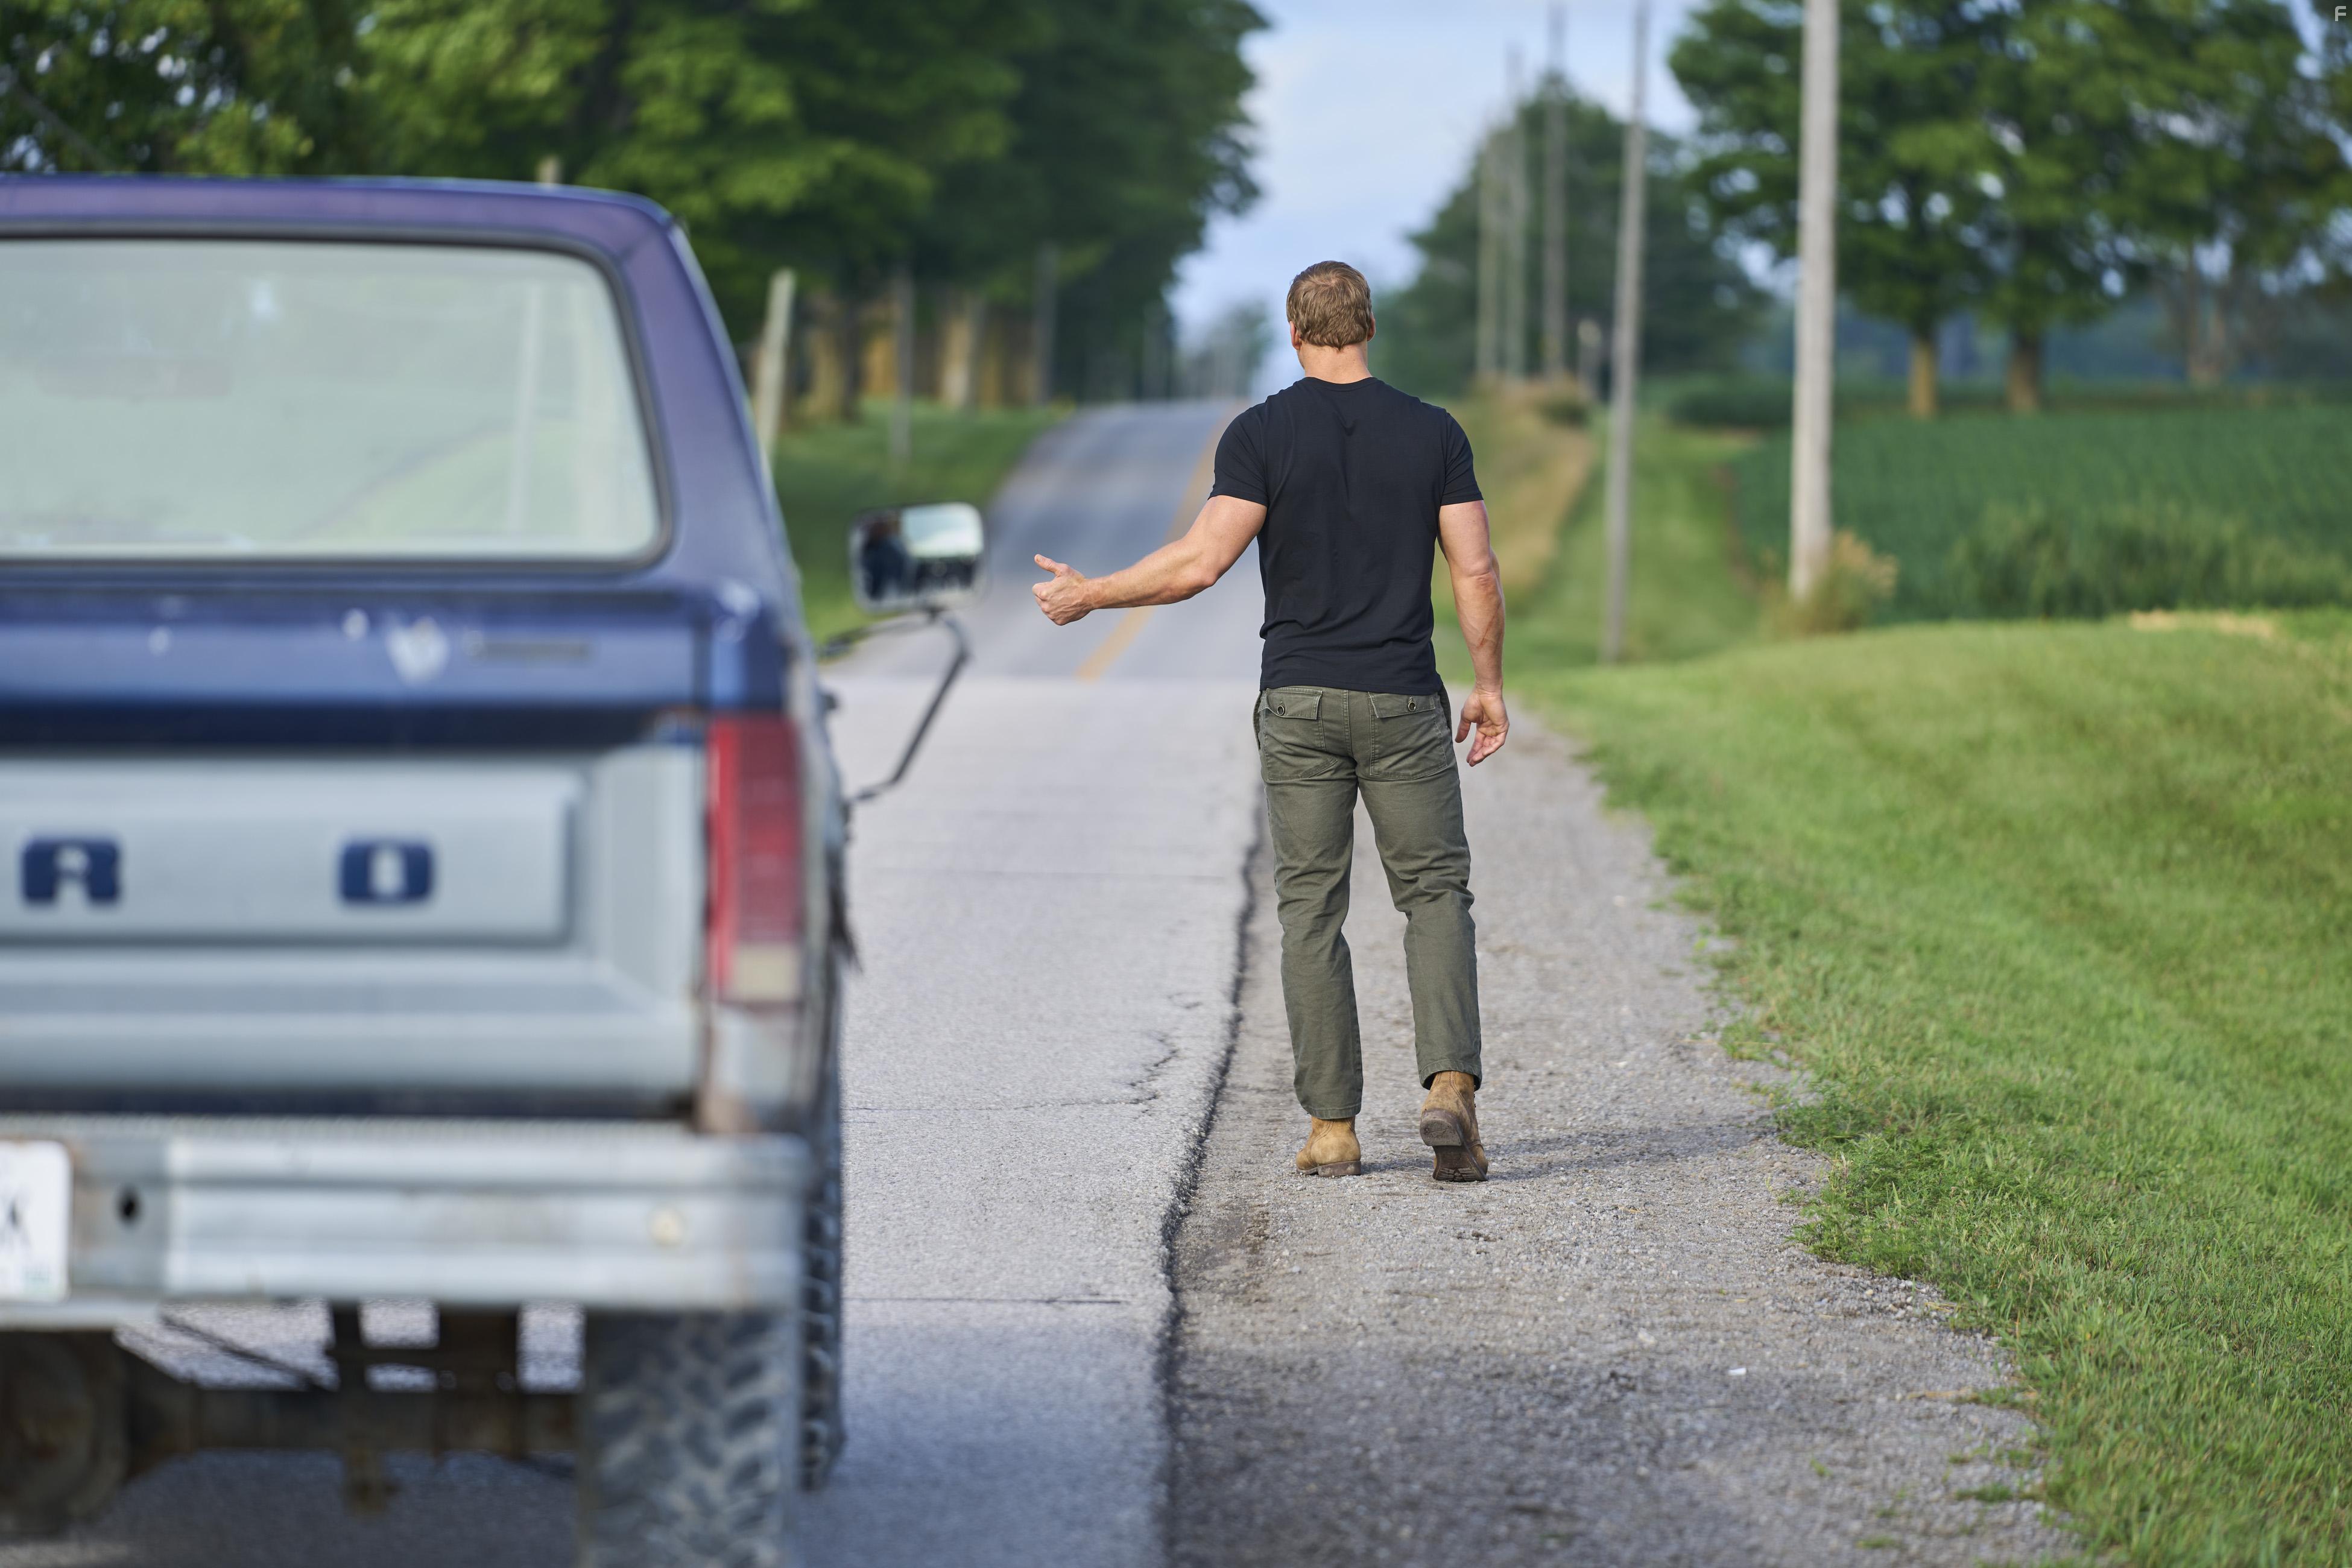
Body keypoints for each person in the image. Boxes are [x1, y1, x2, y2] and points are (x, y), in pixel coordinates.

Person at [1031, 260, 1506, 1184]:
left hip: (1299, 706)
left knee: (1310, 912)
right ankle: (1449, 1087)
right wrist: (1487, 682)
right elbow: (1475, 570)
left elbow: (1200, 563)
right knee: (1434, 896)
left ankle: (1333, 1129)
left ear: (1295, 333)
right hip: (1406, 700)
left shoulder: (1262, 433)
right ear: (1369, 327)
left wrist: (1093, 595)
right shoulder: (1434, 433)